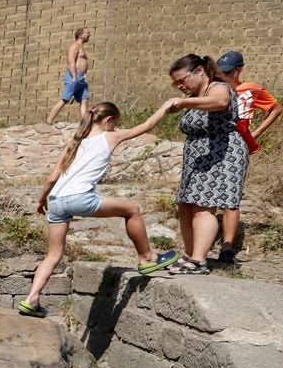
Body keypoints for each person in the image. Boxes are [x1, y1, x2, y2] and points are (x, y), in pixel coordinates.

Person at [17, 101, 179, 318]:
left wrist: (42, 199)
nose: (116, 128)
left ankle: (32, 299)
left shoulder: (75, 141)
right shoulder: (109, 136)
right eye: (115, 123)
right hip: (80, 198)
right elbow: (148, 125)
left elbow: (53, 177)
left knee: (53, 254)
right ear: (109, 120)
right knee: (131, 209)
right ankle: (147, 257)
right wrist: (165, 107)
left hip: (56, 200)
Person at [164, 54, 249, 275]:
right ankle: (190, 256)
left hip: (220, 154)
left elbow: (221, 102)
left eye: (182, 80)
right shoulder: (197, 95)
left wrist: (183, 102)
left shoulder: (218, 87)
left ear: (200, 71)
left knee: (204, 206)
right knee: (186, 207)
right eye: (176, 83)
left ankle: (199, 261)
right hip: (198, 158)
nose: (180, 86)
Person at [215, 50, 283, 263]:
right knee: (209, 195)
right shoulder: (216, 89)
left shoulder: (252, 89)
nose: (224, 75)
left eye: (228, 72)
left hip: (239, 144)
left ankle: (227, 247)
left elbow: (276, 109)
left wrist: (254, 134)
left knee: (231, 196)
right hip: (215, 143)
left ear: (239, 69)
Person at [46, 27, 91, 124]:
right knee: (65, 99)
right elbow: (71, 61)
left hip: (81, 78)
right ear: (81, 35)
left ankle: (85, 123)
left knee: (84, 99)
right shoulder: (75, 46)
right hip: (74, 77)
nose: (89, 35)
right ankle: (48, 121)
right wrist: (74, 76)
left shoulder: (81, 46)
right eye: (87, 33)